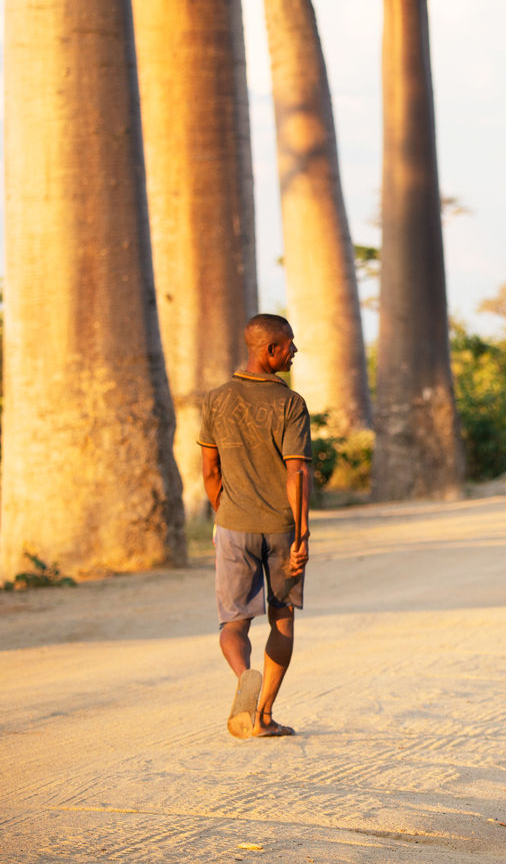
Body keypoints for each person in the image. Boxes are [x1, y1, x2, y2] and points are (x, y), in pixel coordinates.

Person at [197, 313, 311, 740]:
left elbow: (210, 470)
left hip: (234, 525)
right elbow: (296, 473)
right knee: (282, 621)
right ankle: (262, 715)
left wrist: (222, 513)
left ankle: (244, 673)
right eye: (289, 345)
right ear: (270, 350)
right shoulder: (290, 404)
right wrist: (301, 534)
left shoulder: (215, 400)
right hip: (281, 528)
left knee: (233, 623)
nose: (294, 351)